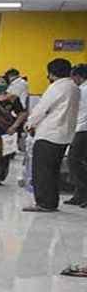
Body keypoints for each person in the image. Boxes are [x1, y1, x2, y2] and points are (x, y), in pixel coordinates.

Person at [24, 58, 82, 212]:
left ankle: (44, 203)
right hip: (64, 135)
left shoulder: (57, 87)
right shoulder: (74, 88)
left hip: (49, 134)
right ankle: (51, 202)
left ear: (51, 73)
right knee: (53, 170)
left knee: (42, 170)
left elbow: (41, 108)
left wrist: (30, 124)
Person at [65, 64, 87, 205]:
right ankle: (80, 194)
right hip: (81, 128)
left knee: (73, 160)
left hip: (83, 129)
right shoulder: (82, 89)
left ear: (78, 76)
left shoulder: (82, 90)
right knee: (80, 161)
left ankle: (83, 192)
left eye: (72, 77)